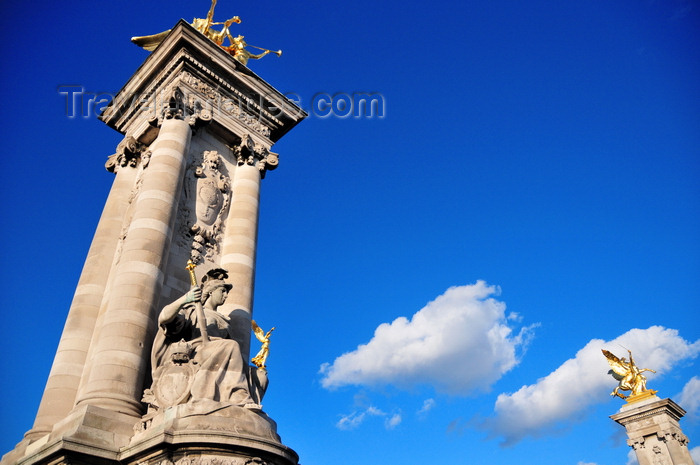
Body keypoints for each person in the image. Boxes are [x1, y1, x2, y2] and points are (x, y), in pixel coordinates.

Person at [149, 268, 256, 409]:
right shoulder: (192, 310)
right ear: (211, 292)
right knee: (231, 346)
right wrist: (186, 299)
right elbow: (164, 318)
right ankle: (237, 394)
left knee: (257, 375)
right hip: (197, 352)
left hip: (217, 352)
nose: (226, 295)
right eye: (222, 291)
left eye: (227, 292)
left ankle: (232, 394)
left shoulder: (225, 320)